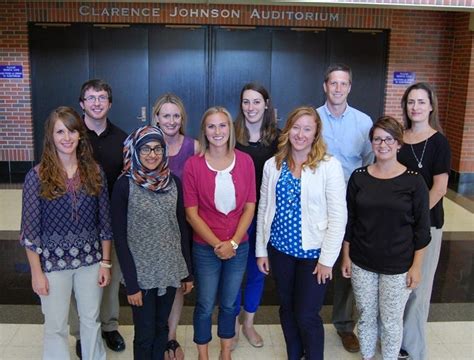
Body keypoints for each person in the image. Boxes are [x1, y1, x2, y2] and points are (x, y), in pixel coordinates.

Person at [20, 106, 112, 360]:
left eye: (72, 131)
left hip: (90, 262)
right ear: (50, 136)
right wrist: (36, 273)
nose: (67, 137)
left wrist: (105, 263)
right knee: (56, 326)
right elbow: (30, 232)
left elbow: (105, 223)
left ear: (80, 135)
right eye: (60, 131)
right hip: (52, 265)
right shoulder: (36, 177)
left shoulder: (95, 172)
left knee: (91, 320)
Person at [256, 106, 347, 360]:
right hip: (280, 251)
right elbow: (264, 208)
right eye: (296, 127)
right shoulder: (272, 165)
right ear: (288, 130)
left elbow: (339, 217)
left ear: (316, 132)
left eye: (307, 128)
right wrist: (261, 250)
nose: (300, 134)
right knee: (286, 309)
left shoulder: (329, 166)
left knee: (307, 314)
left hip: (314, 256)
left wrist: (328, 260)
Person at [341, 116, 431, 360]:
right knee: (367, 316)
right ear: (371, 143)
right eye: (377, 139)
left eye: (389, 139)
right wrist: (347, 257)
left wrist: (417, 267)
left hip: (398, 265)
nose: (383, 144)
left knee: (391, 322)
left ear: (399, 143)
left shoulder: (414, 181)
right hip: (362, 261)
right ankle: (368, 357)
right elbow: (350, 220)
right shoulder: (359, 177)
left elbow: (422, 230)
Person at [111, 125, 194, 360]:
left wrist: (186, 273)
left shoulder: (174, 183)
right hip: (142, 275)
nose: (152, 154)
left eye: (158, 148)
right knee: (145, 333)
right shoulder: (124, 186)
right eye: (145, 148)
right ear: (135, 151)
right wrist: (132, 284)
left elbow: (181, 229)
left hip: (169, 271)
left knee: (162, 329)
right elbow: (120, 238)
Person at [183, 106, 256, 360]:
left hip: (238, 246)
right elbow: (192, 214)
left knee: (228, 303)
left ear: (230, 129)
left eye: (222, 125)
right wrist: (218, 245)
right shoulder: (194, 165)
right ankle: (203, 354)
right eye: (211, 126)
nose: (217, 131)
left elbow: (250, 207)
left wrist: (233, 242)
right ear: (204, 130)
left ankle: (226, 352)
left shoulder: (245, 161)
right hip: (205, 248)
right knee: (204, 305)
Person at [316, 63, 373, 353]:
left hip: (351, 206)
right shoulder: (312, 120)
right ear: (325, 86)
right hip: (316, 206)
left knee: (345, 267)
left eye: (343, 84)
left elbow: (369, 161)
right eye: (333, 83)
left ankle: (343, 324)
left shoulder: (364, 123)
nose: (338, 89)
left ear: (349, 87)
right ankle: (308, 320)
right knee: (313, 263)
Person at [70, 79, 127, 357]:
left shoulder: (121, 138)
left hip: (111, 223)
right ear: (82, 103)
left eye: (102, 97)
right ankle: (83, 332)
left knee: (110, 277)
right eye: (90, 98)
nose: (96, 103)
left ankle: (109, 326)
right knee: (78, 280)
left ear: (110, 103)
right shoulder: (71, 135)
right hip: (76, 223)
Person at [398, 83, 451, 360]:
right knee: (397, 288)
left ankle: (413, 349)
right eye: (411, 102)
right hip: (396, 227)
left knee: (418, 288)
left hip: (425, 225)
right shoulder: (397, 137)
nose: (415, 107)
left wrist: (415, 220)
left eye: (421, 102)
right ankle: (394, 341)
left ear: (431, 106)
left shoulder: (439, 142)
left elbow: (440, 188)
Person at [232, 82, 280, 349]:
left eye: (256, 102)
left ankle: (248, 323)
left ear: (266, 104)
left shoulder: (278, 138)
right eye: (246, 102)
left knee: (256, 271)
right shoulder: (230, 135)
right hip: (234, 216)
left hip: (263, 217)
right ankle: (233, 324)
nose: (251, 107)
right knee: (233, 272)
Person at [152, 93, 199, 360]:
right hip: (152, 228)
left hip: (182, 228)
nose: (171, 120)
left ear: (182, 119)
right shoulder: (146, 143)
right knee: (155, 283)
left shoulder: (192, 147)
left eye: (176, 115)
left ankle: (170, 338)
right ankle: (155, 333)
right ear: (156, 117)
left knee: (179, 282)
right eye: (166, 115)